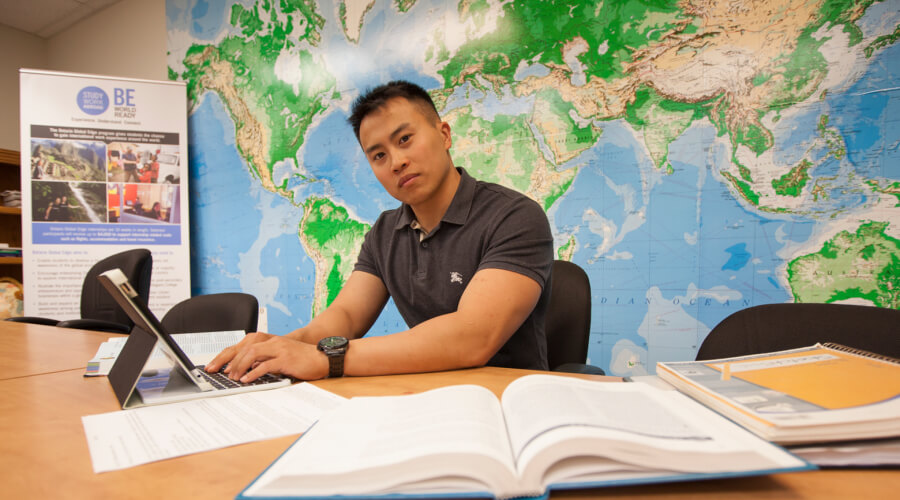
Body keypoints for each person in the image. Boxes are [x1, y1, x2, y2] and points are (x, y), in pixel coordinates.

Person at [207, 80, 553, 383]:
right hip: (427, 396)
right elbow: (346, 316)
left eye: (405, 139)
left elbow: (472, 336)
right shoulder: (386, 231)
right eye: (378, 155)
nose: (396, 162)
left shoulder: (515, 217)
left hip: (508, 402)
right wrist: (283, 346)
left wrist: (326, 359)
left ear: (444, 134)